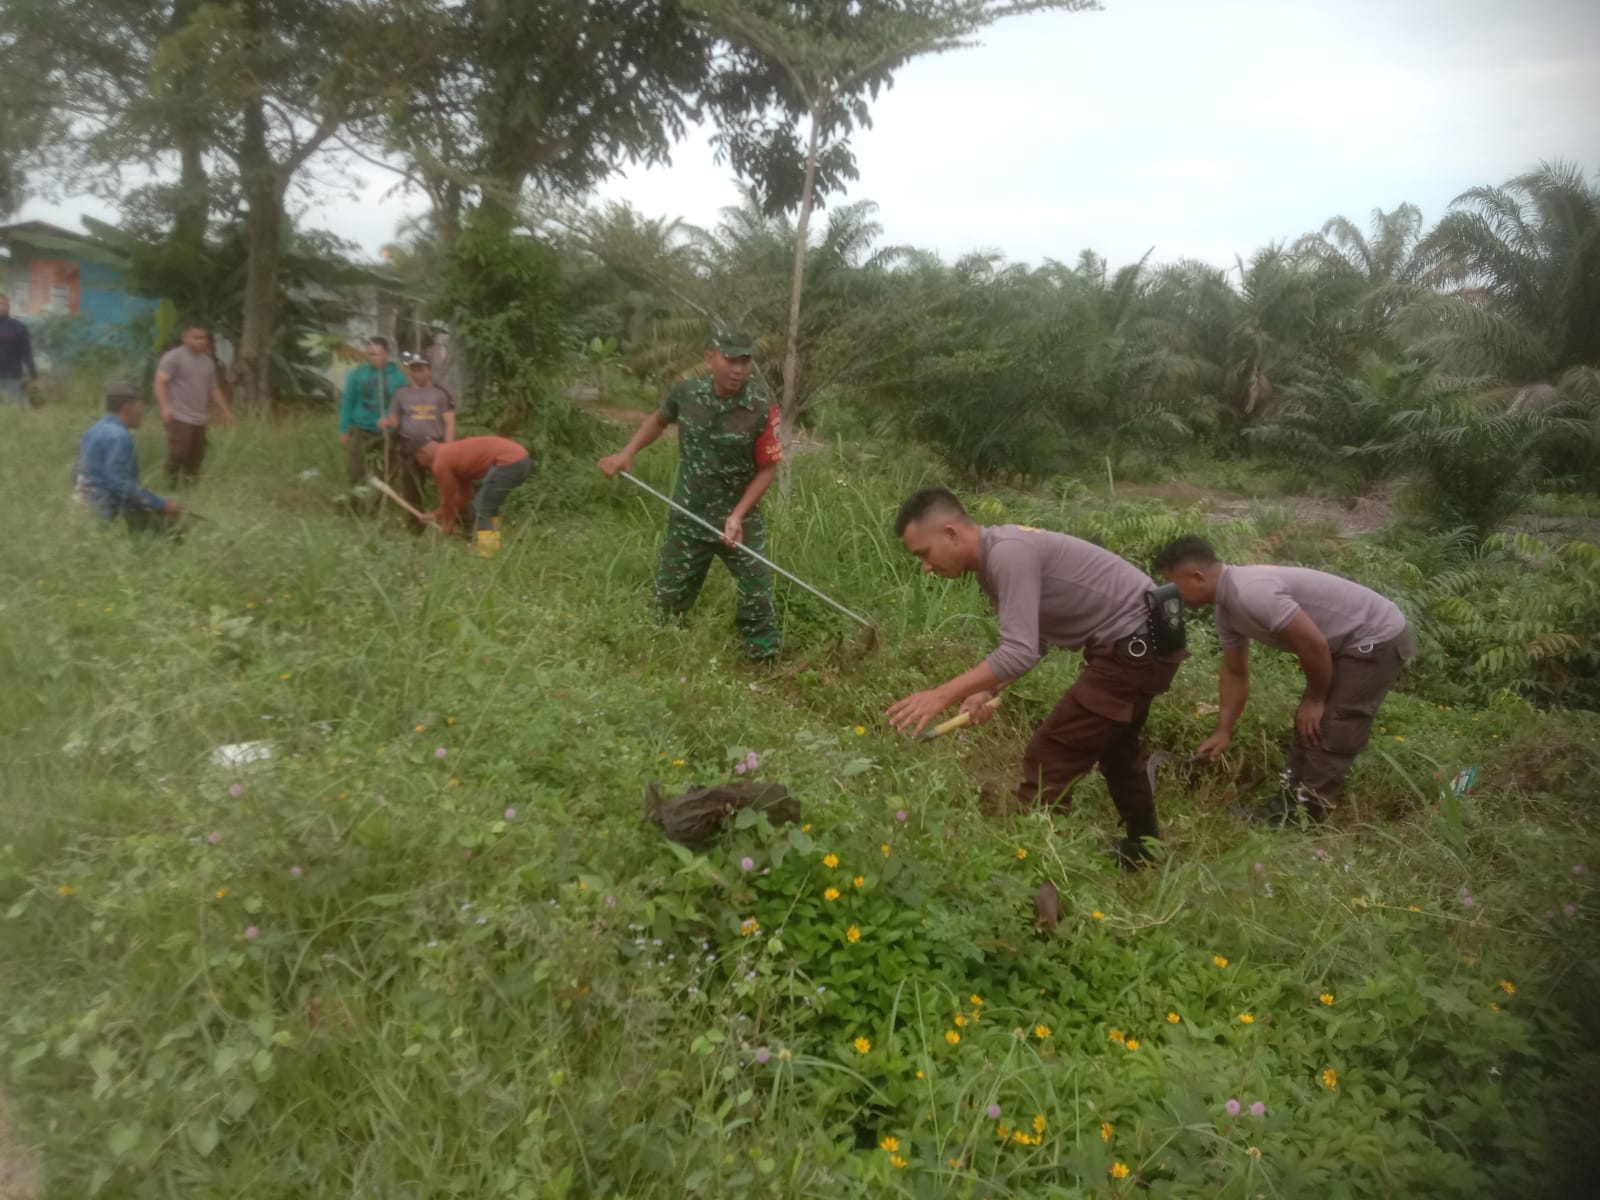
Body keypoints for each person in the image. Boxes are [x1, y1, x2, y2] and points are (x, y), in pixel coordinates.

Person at [886, 489, 1188, 867]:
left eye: (924, 554)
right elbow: (1034, 642)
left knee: (1051, 755)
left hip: (1133, 646)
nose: (925, 567)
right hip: (1142, 644)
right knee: (1117, 750)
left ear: (950, 533)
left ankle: (1032, 865)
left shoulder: (1007, 554)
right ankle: (1145, 848)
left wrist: (940, 695)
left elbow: (1019, 651)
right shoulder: (993, 562)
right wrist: (985, 691)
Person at [1153, 535, 1416, 825]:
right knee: (1309, 722)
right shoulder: (1226, 610)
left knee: (1334, 722)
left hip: (1375, 635)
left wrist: (1315, 698)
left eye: (1173, 584)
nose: (1172, 594)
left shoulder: (1251, 592)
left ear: (1198, 577)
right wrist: (1223, 731)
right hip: (1342, 642)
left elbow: (1313, 643)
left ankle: (1308, 815)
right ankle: (1289, 803)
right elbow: (1234, 673)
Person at [597, 329, 783, 662]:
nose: (738, 369)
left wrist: (738, 515)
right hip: (689, 514)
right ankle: (663, 651)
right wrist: (627, 453)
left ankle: (762, 658)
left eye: (745, 361)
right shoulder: (686, 392)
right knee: (668, 599)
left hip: (739, 521)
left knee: (757, 593)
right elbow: (658, 420)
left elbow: (767, 469)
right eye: (731, 359)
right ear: (711, 358)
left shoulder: (759, 408)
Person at [72, 381, 184, 532]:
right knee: (175, 531)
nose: (142, 411)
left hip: (83, 508)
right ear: (127, 407)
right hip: (109, 513)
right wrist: (161, 505)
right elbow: (120, 483)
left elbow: (76, 472)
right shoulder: (119, 436)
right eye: (140, 405)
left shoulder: (92, 431)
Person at [416, 435, 531, 556]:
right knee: (486, 507)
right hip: (521, 460)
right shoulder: (454, 457)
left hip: (509, 462)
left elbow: (447, 499)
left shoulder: (440, 462)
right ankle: (493, 546)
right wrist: (436, 515)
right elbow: (464, 499)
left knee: (481, 507)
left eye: (417, 458)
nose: (420, 463)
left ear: (421, 452)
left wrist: (448, 524)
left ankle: (488, 554)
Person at [378, 353, 456, 521]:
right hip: (409, 444)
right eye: (413, 370)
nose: (417, 374)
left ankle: (451, 518)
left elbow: (449, 423)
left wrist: (449, 448)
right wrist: (387, 422)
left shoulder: (441, 394)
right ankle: (415, 523)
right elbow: (395, 419)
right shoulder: (401, 393)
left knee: (446, 483)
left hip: (435, 444)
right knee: (411, 484)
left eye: (421, 369)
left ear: (429, 371)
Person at [154, 322, 234, 485]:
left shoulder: (207, 361)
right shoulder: (174, 357)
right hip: (179, 415)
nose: (200, 341)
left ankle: (190, 487)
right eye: (195, 338)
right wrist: (165, 408)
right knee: (178, 452)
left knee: (196, 455)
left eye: (203, 338)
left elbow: (213, 387)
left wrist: (225, 410)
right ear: (185, 338)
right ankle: (169, 485)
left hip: (199, 417)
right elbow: (160, 382)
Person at [338, 336, 407, 494]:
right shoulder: (357, 374)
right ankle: (357, 499)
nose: (374, 358)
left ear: (386, 354)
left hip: (387, 432)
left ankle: (376, 498)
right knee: (356, 468)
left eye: (378, 354)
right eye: (371, 354)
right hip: (361, 428)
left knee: (389, 468)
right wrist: (343, 429)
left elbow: (404, 406)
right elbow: (348, 402)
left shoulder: (398, 377)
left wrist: (392, 420)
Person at [0, 294, 37, 405]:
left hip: (13, 377)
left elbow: (27, 352)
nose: (0, 307)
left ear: (8, 306)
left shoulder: (19, 327)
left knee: (15, 409)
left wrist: (32, 373)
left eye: (2, 304)